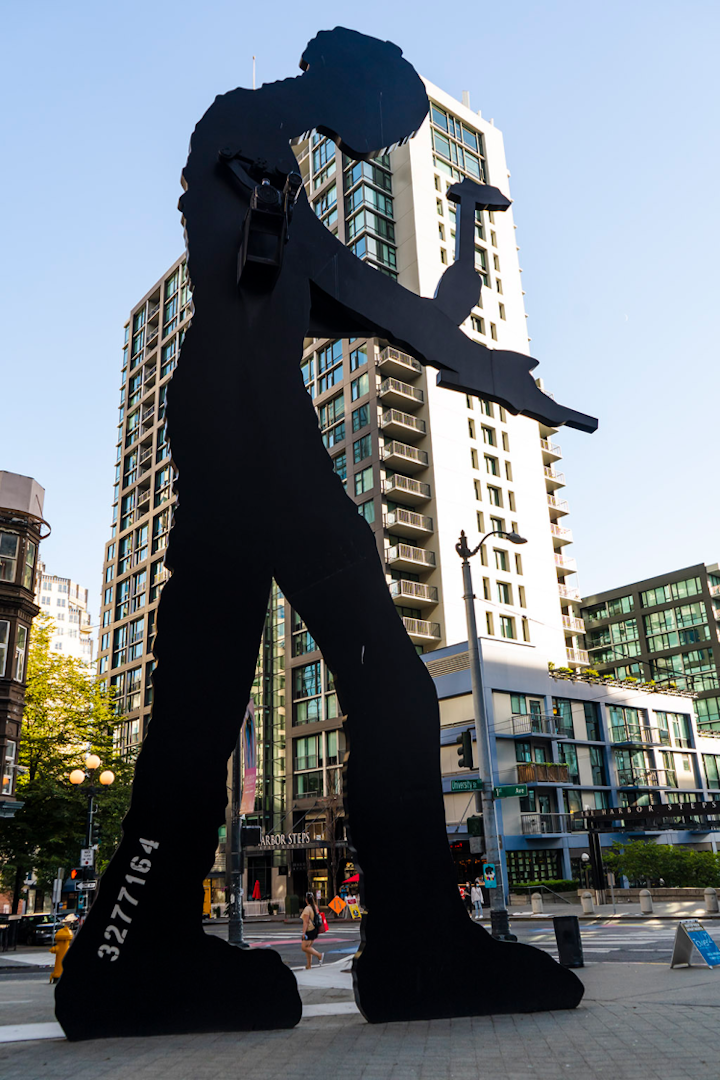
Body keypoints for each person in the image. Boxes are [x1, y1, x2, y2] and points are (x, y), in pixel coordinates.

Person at [55, 27, 588, 1040]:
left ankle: (133, 948)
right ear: (347, 81)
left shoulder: (273, 163)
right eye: (383, 120)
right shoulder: (245, 126)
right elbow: (348, 285)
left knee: (200, 703)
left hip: (228, 421)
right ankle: (420, 946)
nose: (376, 141)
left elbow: (388, 306)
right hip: (252, 426)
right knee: (386, 682)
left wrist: (465, 336)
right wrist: (454, 348)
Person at [301, 892, 323, 969]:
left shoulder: (307, 909)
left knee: (304, 947)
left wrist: (303, 932)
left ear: (306, 900)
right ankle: (309, 965)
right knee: (308, 947)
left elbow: (306, 922)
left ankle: (319, 955)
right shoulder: (315, 907)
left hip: (309, 930)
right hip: (314, 929)